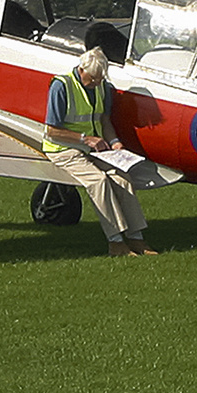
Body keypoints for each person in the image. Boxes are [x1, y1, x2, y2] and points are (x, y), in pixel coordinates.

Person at [43, 48, 156, 257]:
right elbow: (52, 131)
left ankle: (136, 238)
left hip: (94, 149)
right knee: (98, 181)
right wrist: (84, 139)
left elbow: (104, 119)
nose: (96, 83)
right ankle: (115, 242)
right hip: (64, 149)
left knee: (123, 179)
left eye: (99, 79)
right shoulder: (61, 86)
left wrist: (115, 143)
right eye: (93, 79)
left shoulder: (102, 87)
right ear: (82, 69)